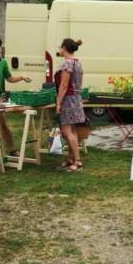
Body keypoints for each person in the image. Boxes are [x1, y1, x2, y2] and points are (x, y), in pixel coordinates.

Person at [55, 38, 86, 173]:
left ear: (64, 48)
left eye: (60, 47)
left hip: (68, 99)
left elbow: (64, 85)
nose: (59, 49)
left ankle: (78, 161)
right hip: (76, 98)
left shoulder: (67, 63)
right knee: (72, 130)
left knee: (67, 131)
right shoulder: (77, 62)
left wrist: (58, 102)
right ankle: (71, 158)